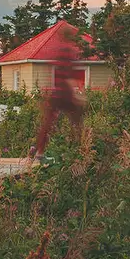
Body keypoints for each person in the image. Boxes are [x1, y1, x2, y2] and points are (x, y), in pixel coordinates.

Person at [30, 24, 87, 163]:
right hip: (65, 94)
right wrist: (78, 95)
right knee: (77, 120)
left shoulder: (58, 51)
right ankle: (80, 150)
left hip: (55, 93)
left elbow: (52, 71)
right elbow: (69, 75)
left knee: (47, 124)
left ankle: (38, 151)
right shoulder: (69, 51)